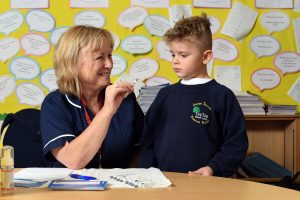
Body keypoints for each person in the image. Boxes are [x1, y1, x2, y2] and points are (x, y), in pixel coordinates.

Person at [139, 14, 248, 177]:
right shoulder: (165, 95)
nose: (175, 61)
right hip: (164, 182)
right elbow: (147, 139)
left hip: (207, 184)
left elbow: (236, 143)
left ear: (206, 57)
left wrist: (213, 168)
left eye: (183, 55)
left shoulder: (222, 96)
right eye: (173, 54)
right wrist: (148, 173)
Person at [40, 25, 144, 169]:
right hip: (69, 189)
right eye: (100, 57)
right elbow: (73, 160)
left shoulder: (125, 99)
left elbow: (141, 151)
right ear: (72, 63)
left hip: (119, 188)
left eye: (110, 55)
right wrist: (108, 110)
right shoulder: (55, 103)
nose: (109, 64)